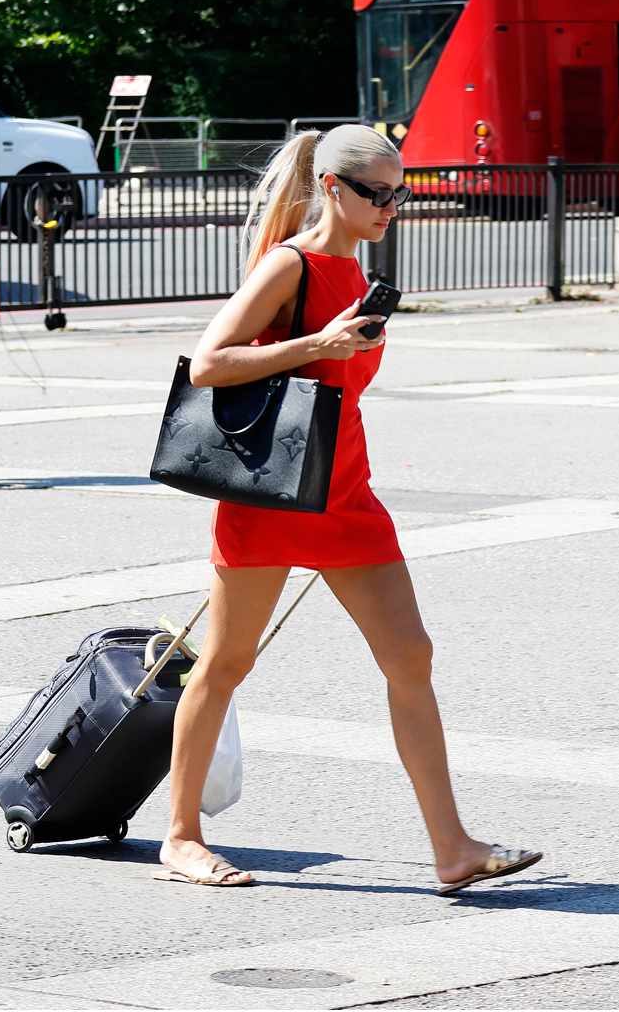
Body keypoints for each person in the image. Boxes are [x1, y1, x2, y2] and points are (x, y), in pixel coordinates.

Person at [154, 125, 542, 893]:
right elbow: (208, 362)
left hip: (345, 490)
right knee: (228, 662)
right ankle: (180, 836)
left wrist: (335, 343)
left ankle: (452, 848)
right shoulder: (289, 263)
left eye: (400, 192)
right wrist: (315, 345)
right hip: (270, 492)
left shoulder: (353, 268)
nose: (393, 205)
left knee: (411, 657)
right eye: (380, 192)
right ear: (334, 187)